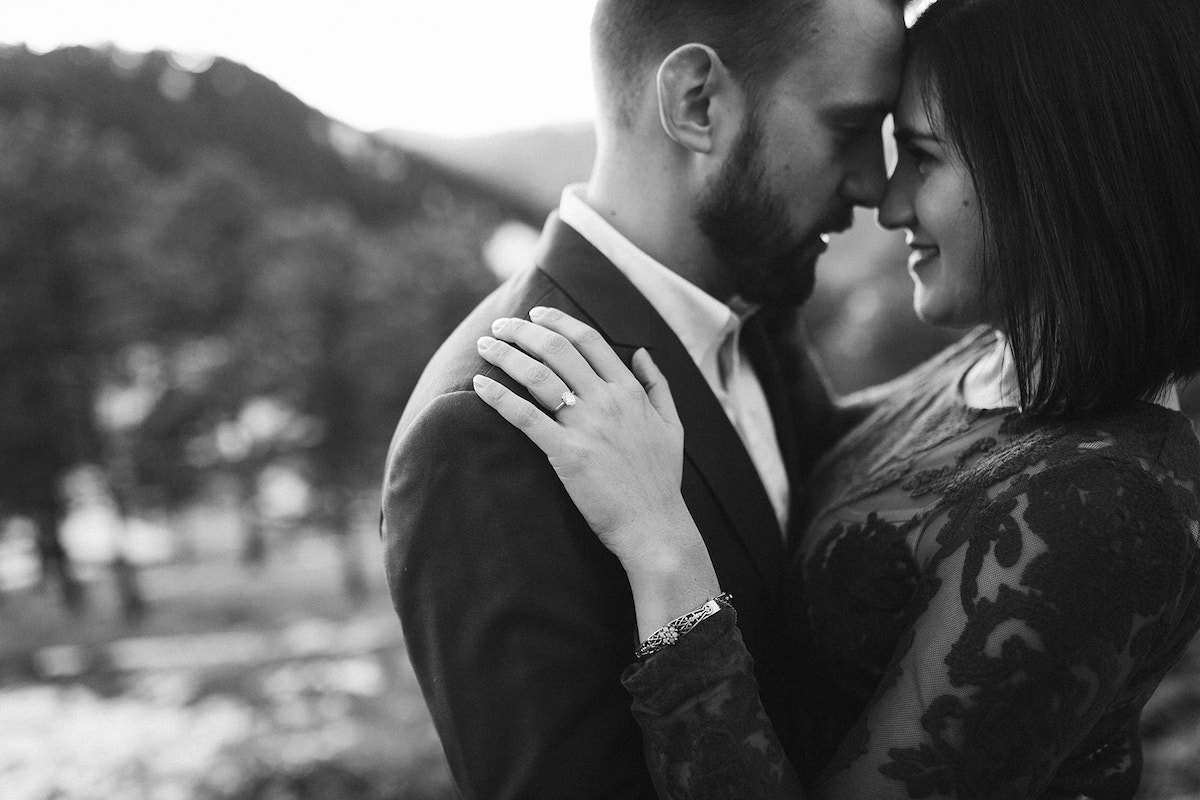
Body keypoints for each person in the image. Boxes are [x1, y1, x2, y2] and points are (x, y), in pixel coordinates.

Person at [471, 0, 1200, 796]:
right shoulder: (1001, 363)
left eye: (922, 157)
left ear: (1057, 171)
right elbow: (848, 461)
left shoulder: (1103, 506)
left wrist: (659, 544)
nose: (888, 205)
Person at [380, 0, 905, 796]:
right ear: (697, 102)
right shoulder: (487, 431)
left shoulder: (756, 303)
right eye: (848, 128)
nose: (873, 183)